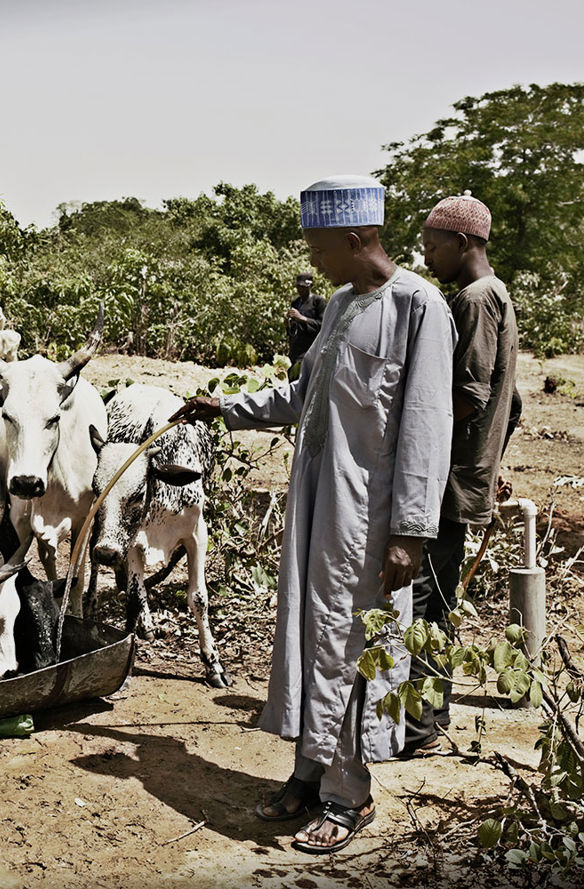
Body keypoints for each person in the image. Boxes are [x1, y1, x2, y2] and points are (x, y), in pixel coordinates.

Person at [172, 174, 455, 854]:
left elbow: (426, 426)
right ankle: (307, 770)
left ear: (358, 239)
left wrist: (409, 534)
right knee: (310, 637)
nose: (314, 261)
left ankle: (346, 795)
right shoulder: (338, 304)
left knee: (352, 648)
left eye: (320, 248)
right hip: (315, 507)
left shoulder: (419, 307)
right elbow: (304, 392)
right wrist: (228, 409)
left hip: (369, 520)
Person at [401, 193, 520, 757]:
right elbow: (511, 402)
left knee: (422, 598)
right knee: (441, 599)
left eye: (432, 245)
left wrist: (411, 440)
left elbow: (468, 397)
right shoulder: (498, 295)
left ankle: (418, 729)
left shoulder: (472, 299)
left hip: (447, 483)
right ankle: (432, 717)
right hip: (468, 477)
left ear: (463, 243)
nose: (426, 257)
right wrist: (491, 461)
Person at [285, 272, 326, 365]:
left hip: (311, 350)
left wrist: (302, 318)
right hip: (295, 350)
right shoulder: (296, 302)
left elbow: (323, 325)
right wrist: (289, 324)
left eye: (303, 287)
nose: (300, 290)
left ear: (310, 286)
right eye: (298, 287)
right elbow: (291, 330)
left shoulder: (318, 302)